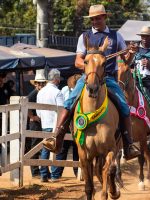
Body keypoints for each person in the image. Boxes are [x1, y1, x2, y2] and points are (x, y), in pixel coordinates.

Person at [42, 4, 140, 160]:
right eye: (92, 19)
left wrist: (132, 53)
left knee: (124, 106)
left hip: (108, 78)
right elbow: (77, 61)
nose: (95, 21)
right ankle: (56, 138)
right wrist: (92, 65)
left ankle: (128, 145)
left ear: (104, 17)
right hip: (87, 78)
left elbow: (126, 62)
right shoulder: (84, 37)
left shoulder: (116, 37)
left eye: (98, 18)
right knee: (69, 102)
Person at [37, 69, 64, 182]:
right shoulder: (58, 92)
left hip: (44, 123)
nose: (59, 81)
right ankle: (54, 175)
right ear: (56, 79)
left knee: (45, 148)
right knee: (57, 149)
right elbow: (62, 110)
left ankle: (43, 174)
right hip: (55, 124)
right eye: (58, 79)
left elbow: (38, 111)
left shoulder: (40, 91)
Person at [25, 69, 47, 178]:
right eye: (39, 83)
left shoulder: (40, 93)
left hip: (40, 122)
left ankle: (39, 170)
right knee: (35, 146)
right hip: (35, 123)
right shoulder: (34, 93)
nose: (41, 85)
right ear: (36, 84)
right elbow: (27, 103)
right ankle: (35, 171)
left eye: (42, 83)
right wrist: (32, 116)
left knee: (41, 146)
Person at [58, 74, 81, 178]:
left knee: (64, 150)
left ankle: (56, 174)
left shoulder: (64, 90)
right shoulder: (67, 90)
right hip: (76, 124)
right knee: (74, 149)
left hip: (74, 124)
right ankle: (77, 173)